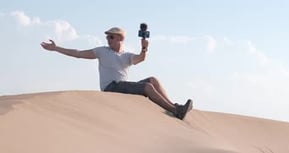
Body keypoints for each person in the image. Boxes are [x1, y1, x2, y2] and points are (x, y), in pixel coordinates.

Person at [40, 27, 193, 120]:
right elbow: (78, 53)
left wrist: (144, 48)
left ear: (120, 39)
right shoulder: (101, 51)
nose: (108, 39)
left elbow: (141, 58)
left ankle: (175, 106)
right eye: (107, 37)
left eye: (111, 37)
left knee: (152, 80)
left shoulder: (126, 55)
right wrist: (56, 48)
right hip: (111, 87)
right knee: (146, 87)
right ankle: (175, 111)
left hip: (122, 87)